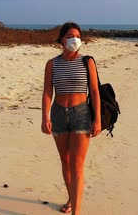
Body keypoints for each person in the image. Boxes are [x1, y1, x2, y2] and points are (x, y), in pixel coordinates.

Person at [41, 22, 101, 214]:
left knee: (76, 165)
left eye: (77, 35)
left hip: (81, 114)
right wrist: (45, 117)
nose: (74, 39)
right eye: (69, 36)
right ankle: (71, 198)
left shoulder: (87, 62)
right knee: (65, 162)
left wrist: (97, 119)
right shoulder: (52, 64)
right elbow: (47, 92)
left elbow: (94, 91)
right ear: (61, 39)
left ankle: (76, 211)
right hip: (58, 114)